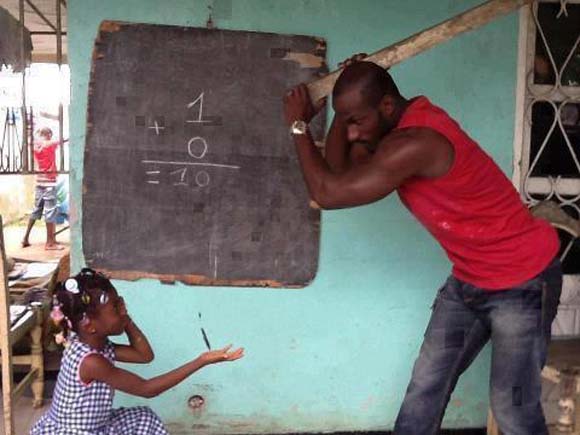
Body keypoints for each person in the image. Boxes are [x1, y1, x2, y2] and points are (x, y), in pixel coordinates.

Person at [283, 59, 562, 435]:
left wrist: (298, 125)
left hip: (521, 280)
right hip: (470, 280)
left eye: (357, 121)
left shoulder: (416, 142)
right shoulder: (390, 131)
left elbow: (327, 193)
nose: (352, 133)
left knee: (512, 408)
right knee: (424, 390)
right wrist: (342, 116)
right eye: (347, 122)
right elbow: (340, 171)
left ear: (386, 106)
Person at [30, 268, 244, 434]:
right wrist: (201, 361)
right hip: (75, 432)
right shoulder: (91, 362)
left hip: (95, 425)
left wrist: (125, 319)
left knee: (143, 418)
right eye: (116, 307)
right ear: (90, 325)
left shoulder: (95, 344)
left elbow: (144, 356)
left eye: (121, 303)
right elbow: (147, 389)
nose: (123, 309)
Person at [22, 127, 64, 250]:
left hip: (39, 182)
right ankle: (50, 243)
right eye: (51, 134)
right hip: (49, 182)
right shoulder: (49, 144)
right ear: (49, 134)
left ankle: (25, 238)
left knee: (36, 210)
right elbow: (64, 140)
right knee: (50, 212)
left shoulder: (35, 146)